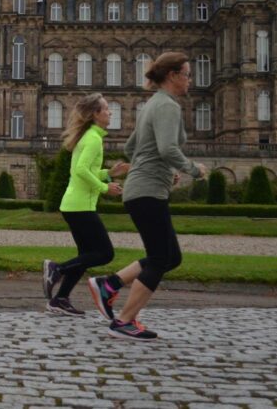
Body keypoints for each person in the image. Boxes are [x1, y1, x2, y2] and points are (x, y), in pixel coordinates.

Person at [87, 52, 208, 340]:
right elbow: (166, 149)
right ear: (173, 76)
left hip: (143, 188)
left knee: (170, 256)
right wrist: (193, 169)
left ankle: (110, 285)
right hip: (147, 190)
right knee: (160, 257)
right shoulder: (167, 106)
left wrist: (160, 167)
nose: (190, 80)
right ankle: (124, 320)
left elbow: (132, 148)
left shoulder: (152, 105)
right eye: (187, 74)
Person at [41, 93, 129, 315]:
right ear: (95, 114)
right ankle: (56, 269)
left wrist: (109, 173)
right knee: (105, 253)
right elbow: (80, 171)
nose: (110, 112)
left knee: (84, 256)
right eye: (106, 108)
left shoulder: (90, 136)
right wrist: (104, 188)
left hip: (75, 205)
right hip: (79, 206)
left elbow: (85, 170)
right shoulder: (93, 139)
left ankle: (59, 299)